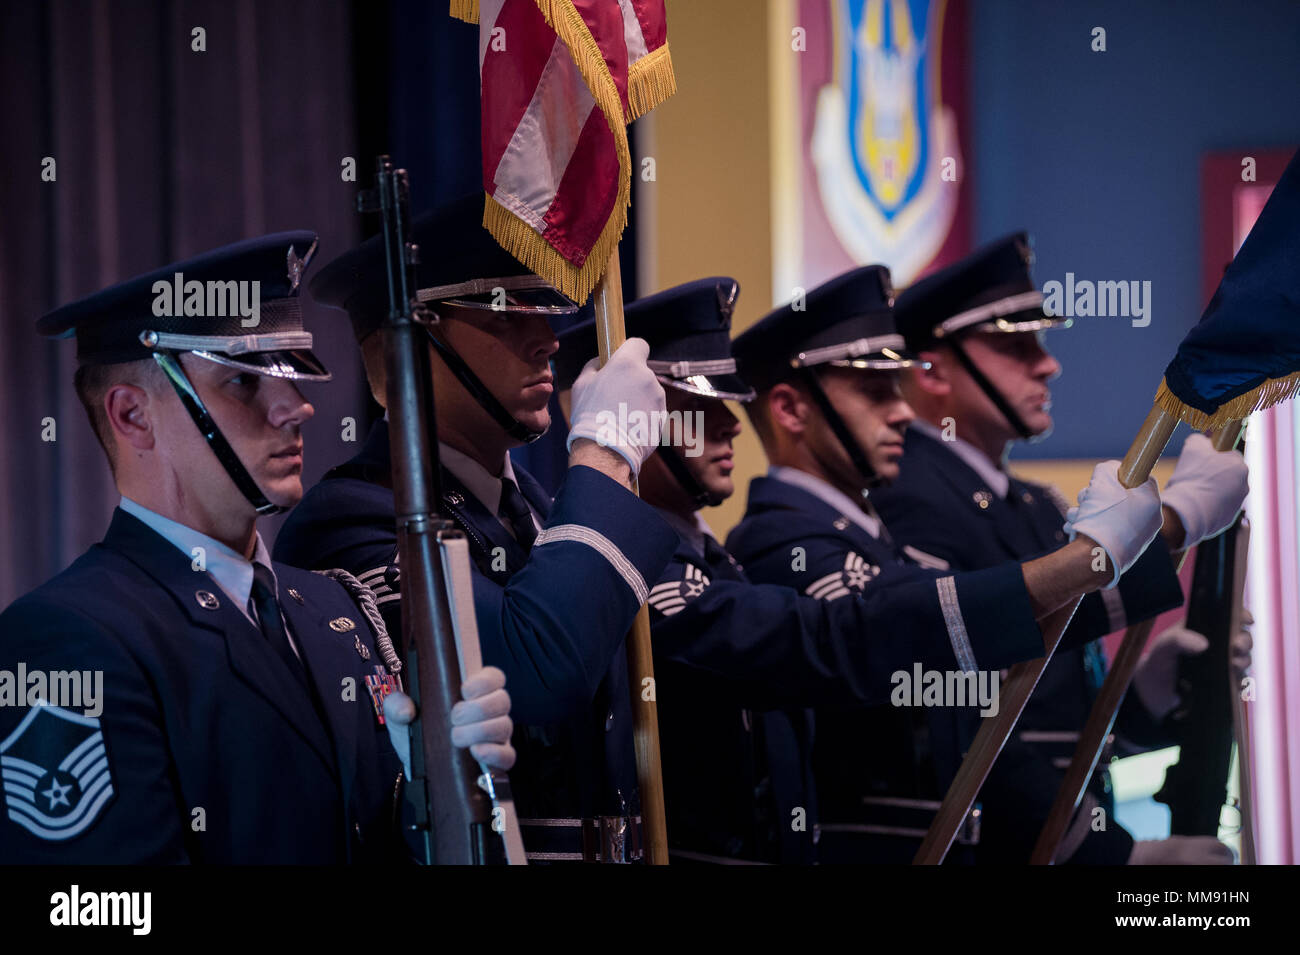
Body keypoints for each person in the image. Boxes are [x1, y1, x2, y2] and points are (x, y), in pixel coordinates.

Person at [555, 273, 1181, 864]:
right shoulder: (754, 547)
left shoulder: (726, 555)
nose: (726, 424)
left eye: (729, 400)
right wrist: (1097, 557)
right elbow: (855, 638)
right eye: (690, 403)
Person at [0, 234, 514, 863]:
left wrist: (442, 805)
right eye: (244, 383)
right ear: (133, 415)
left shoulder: (332, 607)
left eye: (293, 374)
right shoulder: (66, 639)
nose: (296, 407)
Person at [725, 264, 1209, 862]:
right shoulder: (790, 542)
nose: (900, 409)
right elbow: (940, 649)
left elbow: (1013, 669)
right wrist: (1103, 854)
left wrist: (1137, 704)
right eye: (876, 390)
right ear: (792, 411)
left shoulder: (878, 533)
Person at [274, 196, 678, 863]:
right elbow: (534, 670)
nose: (548, 338)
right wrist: (605, 451)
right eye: (504, 309)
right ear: (415, 343)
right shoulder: (351, 517)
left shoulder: (546, 510)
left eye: (544, 307)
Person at [871, 234, 1248, 863]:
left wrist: (1140, 699)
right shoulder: (909, 498)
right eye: (1015, 348)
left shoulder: (1030, 502)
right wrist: (1114, 857)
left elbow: (1046, 705)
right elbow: (962, 721)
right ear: (932, 370)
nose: (1047, 364)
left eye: (1040, 343)